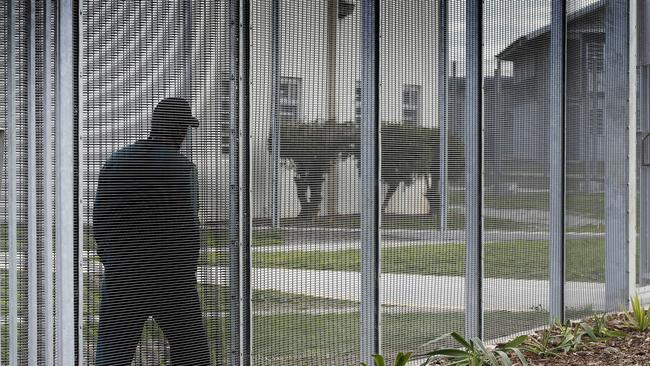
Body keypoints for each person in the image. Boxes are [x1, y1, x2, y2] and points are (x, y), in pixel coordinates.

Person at [93, 97, 211, 366]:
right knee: (191, 350)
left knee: (113, 350)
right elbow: (187, 227)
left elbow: (100, 220)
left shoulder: (116, 162)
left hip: (124, 273)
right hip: (170, 276)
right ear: (181, 130)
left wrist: (112, 260)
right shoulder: (181, 168)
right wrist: (184, 272)